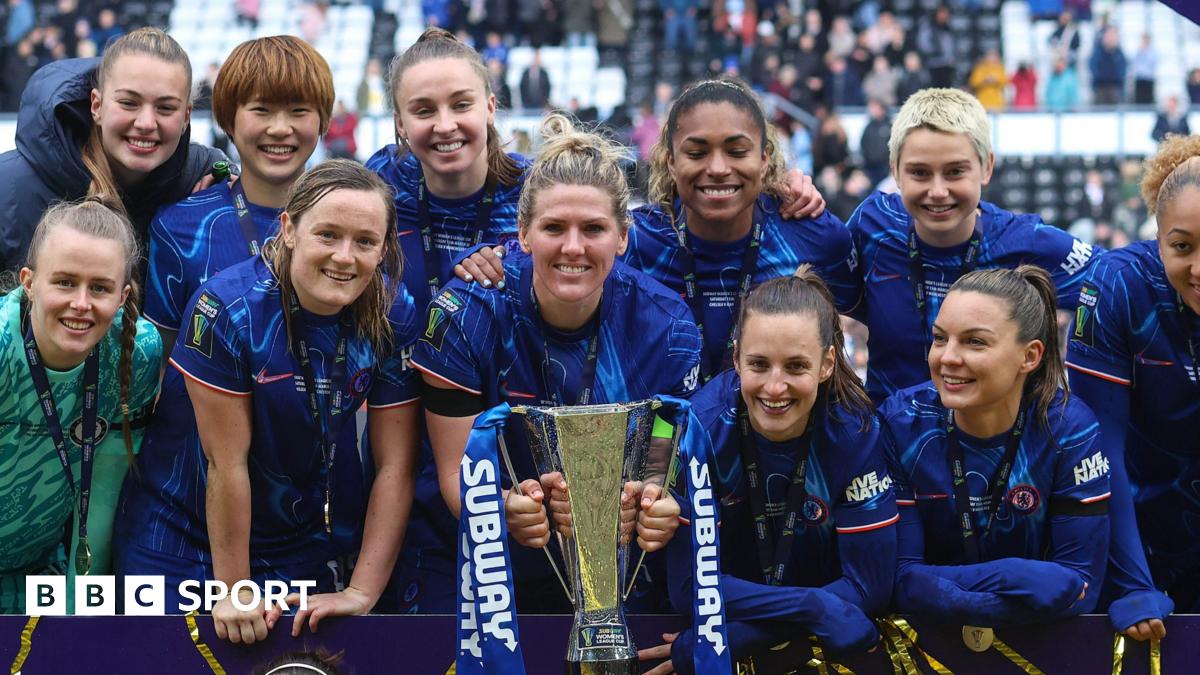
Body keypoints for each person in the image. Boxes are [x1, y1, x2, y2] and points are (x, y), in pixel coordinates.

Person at [115, 161, 421, 643]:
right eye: (327, 235)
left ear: (384, 247)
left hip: (296, 541)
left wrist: (362, 589)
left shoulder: (393, 311)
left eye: (365, 241)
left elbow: (394, 465)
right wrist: (235, 591)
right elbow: (225, 463)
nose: (345, 256)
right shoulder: (227, 308)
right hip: (179, 535)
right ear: (289, 228)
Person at [409, 114, 697, 612]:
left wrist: (652, 500)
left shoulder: (667, 328)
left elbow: (663, 449)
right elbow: (456, 475)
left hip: (617, 569)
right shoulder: (467, 315)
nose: (573, 247)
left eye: (594, 229)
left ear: (623, 237)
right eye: (553, 227)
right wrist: (502, 508)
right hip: (481, 565)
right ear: (522, 233)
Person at [640, 268, 896, 674]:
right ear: (738, 357)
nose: (775, 388)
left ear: (827, 363)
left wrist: (736, 639)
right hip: (818, 624)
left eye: (796, 366)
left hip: (782, 643)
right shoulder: (699, 430)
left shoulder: (855, 431)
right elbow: (690, 588)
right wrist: (815, 607)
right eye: (759, 364)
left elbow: (871, 586)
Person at [882, 266, 1111, 626]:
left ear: (1030, 356)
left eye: (975, 342)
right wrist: (1012, 576)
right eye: (940, 338)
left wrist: (947, 592)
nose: (947, 358)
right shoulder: (900, 423)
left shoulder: (1068, 430)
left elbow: (1082, 590)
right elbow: (900, 581)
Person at [845, 88, 1099, 404]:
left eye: (955, 172)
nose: (938, 191)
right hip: (892, 446)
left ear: (986, 167)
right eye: (920, 173)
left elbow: (1120, 283)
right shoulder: (873, 225)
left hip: (998, 447)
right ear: (895, 170)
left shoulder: (1027, 242)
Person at [628, 78, 857, 383]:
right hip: (667, 431)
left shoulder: (813, 234)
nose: (719, 168)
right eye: (696, 153)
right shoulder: (636, 240)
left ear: (764, 159)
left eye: (737, 151)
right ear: (671, 162)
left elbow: (878, 317)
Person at [1065, 134, 1200, 639]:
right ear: (1158, 234)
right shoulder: (1117, 285)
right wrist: (1132, 582)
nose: (1198, 268)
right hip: (1137, 538)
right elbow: (1100, 447)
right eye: (1182, 246)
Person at [0, 198, 161, 613]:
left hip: (40, 567)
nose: (81, 303)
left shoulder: (137, 351)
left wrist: (79, 607)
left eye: (100, 288)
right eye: (65, 282)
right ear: (28, 282)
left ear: (124, 296)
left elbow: (102, 496)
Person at [144, 35, 334, 355]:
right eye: (261, 110)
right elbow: (159, 359)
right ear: (229, 119)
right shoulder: (179, 226)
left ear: (323, 120)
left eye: (298, 110)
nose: (279, 128)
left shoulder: (348, 226)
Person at [0, 27, 226, 274]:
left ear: (186, 117)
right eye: (129, 103)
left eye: (165, 108)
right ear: (96, 105)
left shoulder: (206, 179)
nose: (146, 123)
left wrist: (230, 184)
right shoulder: (8, 188)